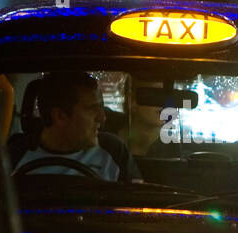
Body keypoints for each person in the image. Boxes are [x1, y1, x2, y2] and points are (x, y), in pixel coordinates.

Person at [8, 71, 141, 181]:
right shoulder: (15, 154)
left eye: (101, 107)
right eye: (92, 109)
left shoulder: (113, 150)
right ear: (60, 116)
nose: (102, 117)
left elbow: (138, 204)